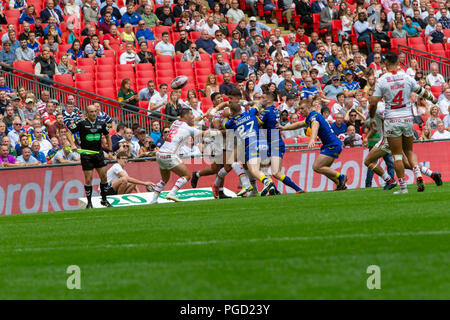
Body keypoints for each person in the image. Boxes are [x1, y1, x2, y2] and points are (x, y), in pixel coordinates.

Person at [369, 52, 437, 194]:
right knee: (410, 151)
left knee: (397, 156)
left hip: (392, 120)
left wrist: (371, 115)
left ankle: (403, 188)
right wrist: (432, 98)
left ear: (386, 64)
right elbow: (421, 91)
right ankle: (418, 173)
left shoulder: (383, 80)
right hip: (407, 119)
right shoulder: (407, 77)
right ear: (398, 63)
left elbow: (373, 102)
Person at [364, 102, 442, 189]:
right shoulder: (392, 108)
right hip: (396, 138)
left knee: (368, 161)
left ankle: (390, 181)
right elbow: (375, 128)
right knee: (406, 164)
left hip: (387, 140)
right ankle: (432, 174)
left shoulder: (379, 108)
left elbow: (389, 121)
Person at [279, 99, 348, 190]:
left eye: (302, 108)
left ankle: (341, 177)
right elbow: (299, 124)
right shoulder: (310, 117)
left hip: (332, 145)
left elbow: (315, 125)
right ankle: (340, 184)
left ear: (308, 108)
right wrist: (284, 128)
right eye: (299, 108)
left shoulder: (313, 117)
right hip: (332, 144)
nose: (300, 110)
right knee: (323, 168)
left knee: (317, 167)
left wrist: (312, 139)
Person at [151, 109, 209, 203]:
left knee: (164, 179)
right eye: (191, 114)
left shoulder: (176, 122)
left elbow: (192, 121)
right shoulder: (189, 129)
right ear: (185, 116)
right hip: (169, 154)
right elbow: (204, 133)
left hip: (160, 153)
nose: (193, 116)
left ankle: (154, 200)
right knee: (186, 175)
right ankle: (172, 193)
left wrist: (203, 115)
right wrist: (220, 132)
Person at [224, 102, 277, 195]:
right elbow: (259, 104)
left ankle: (267, 182)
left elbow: (224, 125)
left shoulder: (231, 122)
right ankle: (270, 187)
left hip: (250, 145)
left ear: (231, 113)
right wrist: (248, 103)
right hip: (262, 142)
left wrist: (225, 116)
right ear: (241, 109)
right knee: (262, 168)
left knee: (254, 170)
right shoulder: (250, 112)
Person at [68, 105, 112, 208]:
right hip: (86, 155)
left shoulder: (101, 123)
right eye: (91, 112)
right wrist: (73, 144)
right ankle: (89, 203)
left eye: (95, 111)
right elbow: (69, 132)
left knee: (104, 177)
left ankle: (104, 200)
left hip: (98, 154)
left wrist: (110, 150)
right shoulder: (81, 123)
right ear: (87, 113)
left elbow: (107, 136)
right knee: (88, 179)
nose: (93, 113)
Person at [259, 93, 304, 193]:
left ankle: (298, 189)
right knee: (262, 167)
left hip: (274, 143)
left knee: (275, 172)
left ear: (269, 100)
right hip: (274, 141)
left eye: (263, 97)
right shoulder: (275, 109)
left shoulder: (266, 112)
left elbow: (257, 124)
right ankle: (274, 190)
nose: (261, 99)